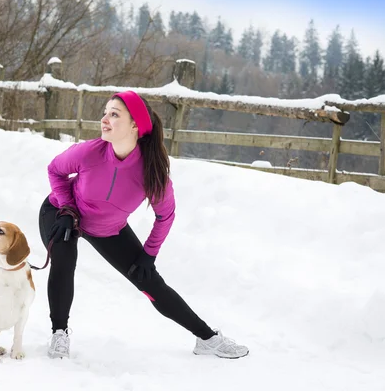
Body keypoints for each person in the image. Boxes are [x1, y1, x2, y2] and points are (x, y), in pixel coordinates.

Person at [38, 90, 249, 359]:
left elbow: (165, 216)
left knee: (150, 282)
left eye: (114, 114)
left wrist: (149, 255)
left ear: (135, 124)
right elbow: (55, 170)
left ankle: (207, 338)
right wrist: (67, 208)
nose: (104, 119)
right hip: (62, 212)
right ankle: (59, 333)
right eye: (105, 112)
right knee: (64, 259)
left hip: (108, 228)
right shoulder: (89, 152)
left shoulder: (151, 172)